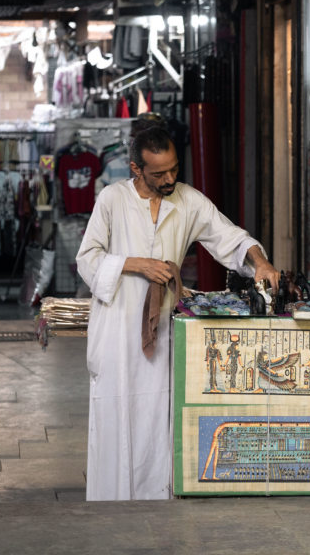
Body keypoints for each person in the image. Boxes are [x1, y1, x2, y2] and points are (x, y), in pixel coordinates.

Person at [76, 125, 278, 501]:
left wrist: (260, 263)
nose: (169, 179)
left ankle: (157, 499)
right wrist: (137, 264)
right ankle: (112, 502)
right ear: (136, 169)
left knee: (159, 418)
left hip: (163, 330)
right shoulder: (112, 200)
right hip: (118, 328)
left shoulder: (187, 200)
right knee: (118, 416)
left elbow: (230, 237)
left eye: (173, 169)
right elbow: (87, 260)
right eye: (158, 173)